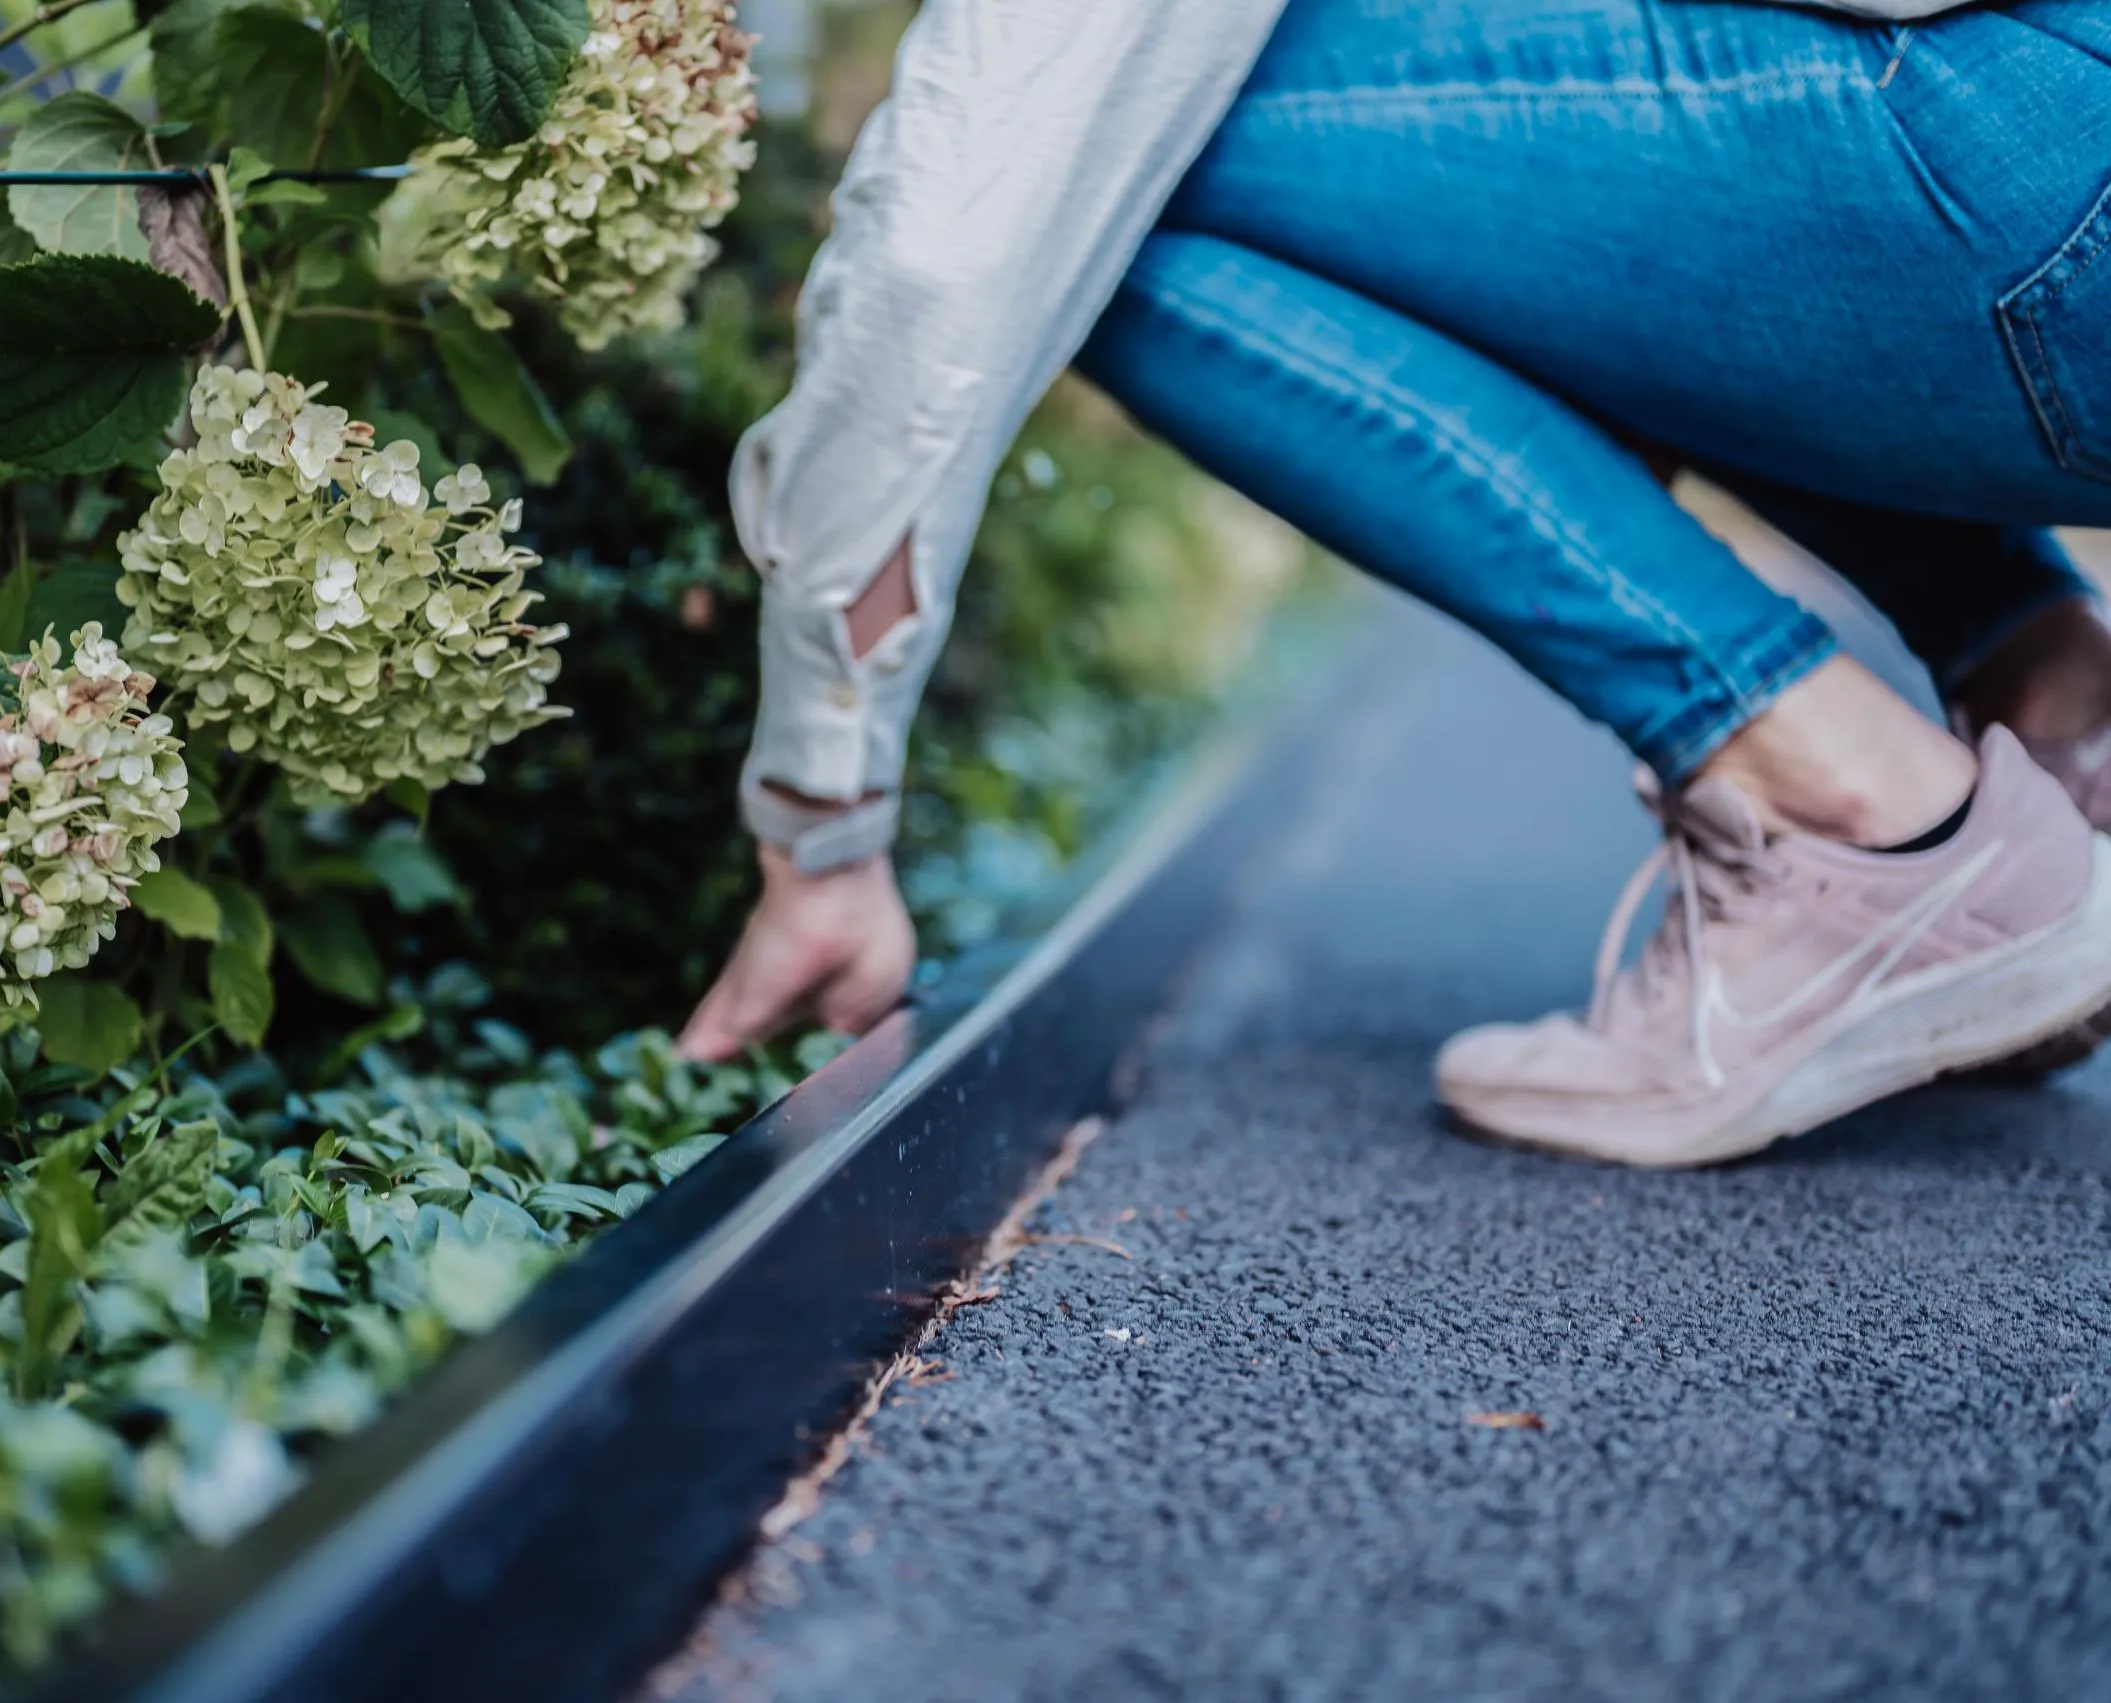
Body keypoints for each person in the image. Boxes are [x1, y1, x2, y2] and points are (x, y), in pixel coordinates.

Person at [675, 0, 2111, 1168]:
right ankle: (2055, 701)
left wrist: (824, 819)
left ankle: (1859, 820)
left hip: (2038, 178)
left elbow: (956, 235)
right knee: (1470, 133)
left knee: (1127, 172)